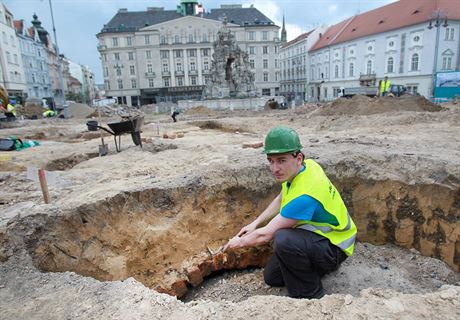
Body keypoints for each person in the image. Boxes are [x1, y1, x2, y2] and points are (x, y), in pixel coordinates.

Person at [223, 125, 357, 299]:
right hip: (314, 240)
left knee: (283, 239)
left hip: (335, 248)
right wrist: (254, 223)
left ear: (298, 157)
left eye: (281, 160)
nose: (275, 168)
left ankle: (310, 295)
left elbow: (265, 236)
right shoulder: (307, 167)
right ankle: (310, 268)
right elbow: (281, 198)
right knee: (272, 277)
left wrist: (237, 243)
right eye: (271, 161)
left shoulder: (305, 196)